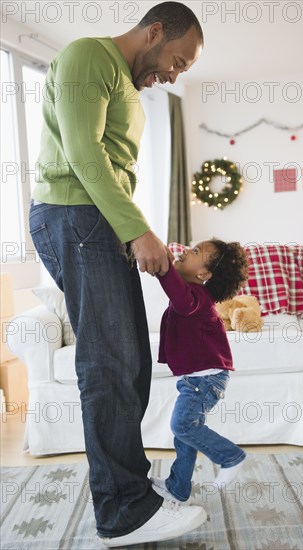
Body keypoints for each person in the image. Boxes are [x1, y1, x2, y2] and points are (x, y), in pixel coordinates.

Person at [29, 2, 207, 547]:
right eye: (176, 61)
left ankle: (127, 481)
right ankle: (123, 512)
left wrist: (140, 232)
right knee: (107, 364)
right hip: (75, 216)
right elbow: (84, 154)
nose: (173, 75)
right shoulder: (90, 55)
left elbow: (114, 167)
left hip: (99, 223)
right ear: (154, 30)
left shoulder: (128, 87)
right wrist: (138, 232)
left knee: (128, 363)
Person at [151, 239, 249, 503]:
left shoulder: (196, 297)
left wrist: (164, 267)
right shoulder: (195, 294)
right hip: (197, 378)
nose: (186, 251)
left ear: (204, 274)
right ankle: (177, 486)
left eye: (195, 252)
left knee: (181, 425)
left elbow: (178, 295)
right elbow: (177, 292)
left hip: (205, 379)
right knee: (185, 435)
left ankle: (230, 456)